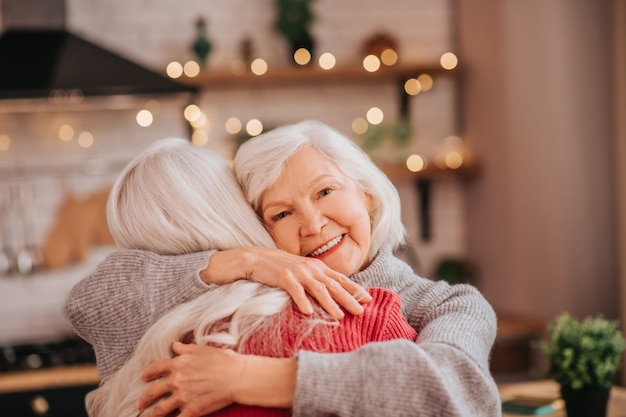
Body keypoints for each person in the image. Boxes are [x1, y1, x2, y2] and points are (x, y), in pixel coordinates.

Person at [67, 121, 500, 416]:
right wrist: (245, 260)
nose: (312, 225)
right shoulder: (254, 294)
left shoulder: (452, 304)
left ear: (366, 194)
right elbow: (89, 303)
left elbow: (458, 393)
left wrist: (249, 378)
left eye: (325, 191)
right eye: (280, 214)